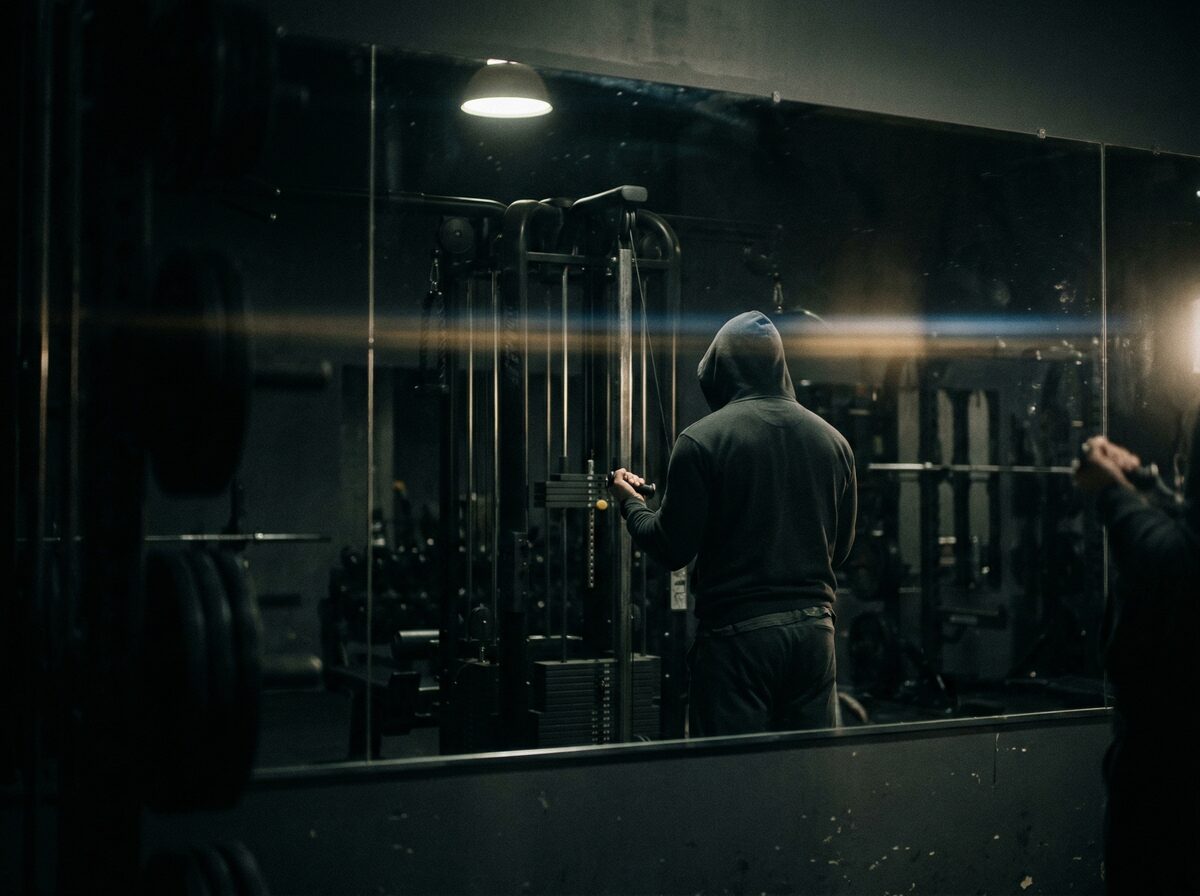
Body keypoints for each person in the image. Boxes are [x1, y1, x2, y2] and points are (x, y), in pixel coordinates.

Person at [609, 310, 857, 737]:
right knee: (809, 778)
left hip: (738, 643)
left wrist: (629, 502)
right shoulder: (834, 442)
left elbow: (671, 549)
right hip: (815, 636)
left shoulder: (701, 440)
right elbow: (843, 549)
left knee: (730, 782)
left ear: (722, 369)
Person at [1074, 430, 1200, 895]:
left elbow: (1175, 559)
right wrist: (1143, 487)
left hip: (1168, 772)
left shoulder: (1173, 559)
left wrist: (1112, 493)